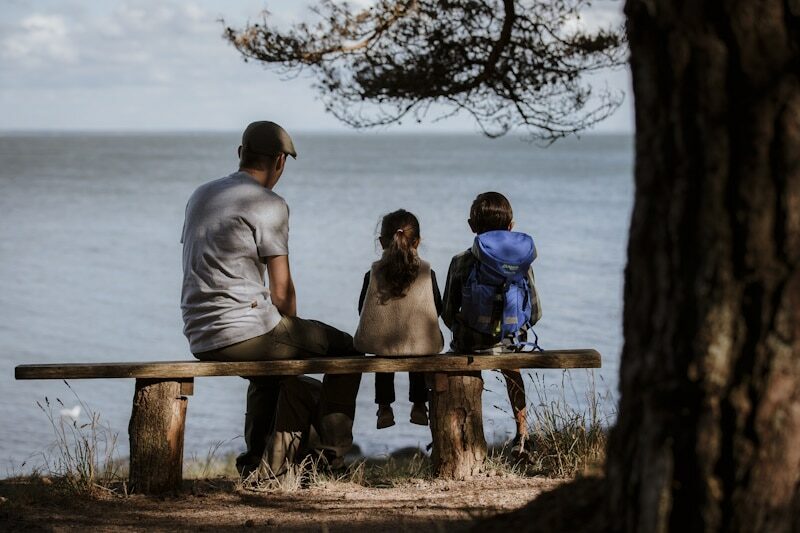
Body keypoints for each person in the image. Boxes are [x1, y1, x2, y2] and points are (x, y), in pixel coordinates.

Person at [180, 121, 362, 475]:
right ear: (280, 161)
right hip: (246, 334)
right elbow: (282, 292)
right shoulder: (269, 204)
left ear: (240, 153)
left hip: (200, 335)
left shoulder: (201, 195)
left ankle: (255, 464)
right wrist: (291, 332)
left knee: (275, 377)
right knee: (348, 351)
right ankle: (330, 458)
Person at [442, 192, 542, 459]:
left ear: (472, 226)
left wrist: (471, 330)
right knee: (513, 369)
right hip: (510, 344)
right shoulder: (522, 264)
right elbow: (535, 313)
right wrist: (510, 330)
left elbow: (448, 312)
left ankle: (468, 442)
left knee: (462, 367)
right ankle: (523, 436)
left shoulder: (461, 261)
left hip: (470, 343)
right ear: (511, 226)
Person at [354, 209, 444, 429]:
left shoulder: (374, 272)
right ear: (418, 241)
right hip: (421, 345)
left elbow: (361, 309)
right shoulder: (426, 272)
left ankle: (384, 407)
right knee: (419, 348)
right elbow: (438, 308)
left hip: (381, 345)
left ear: (382, 241)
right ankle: (420, 405)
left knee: (383, 352)